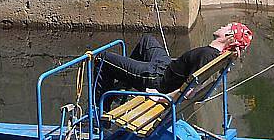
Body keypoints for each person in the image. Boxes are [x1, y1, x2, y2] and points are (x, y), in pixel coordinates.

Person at [93, 22, 253, 111]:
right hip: (165, 66)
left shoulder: (207, 56)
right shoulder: (214, 55)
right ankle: (122, 88)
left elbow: (190, 90)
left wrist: (163, 96)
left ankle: (100, 111)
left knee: (102, 59)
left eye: (227, 26)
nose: (222, 26)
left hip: (157, 78)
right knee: (147, 41)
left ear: (229, 36)